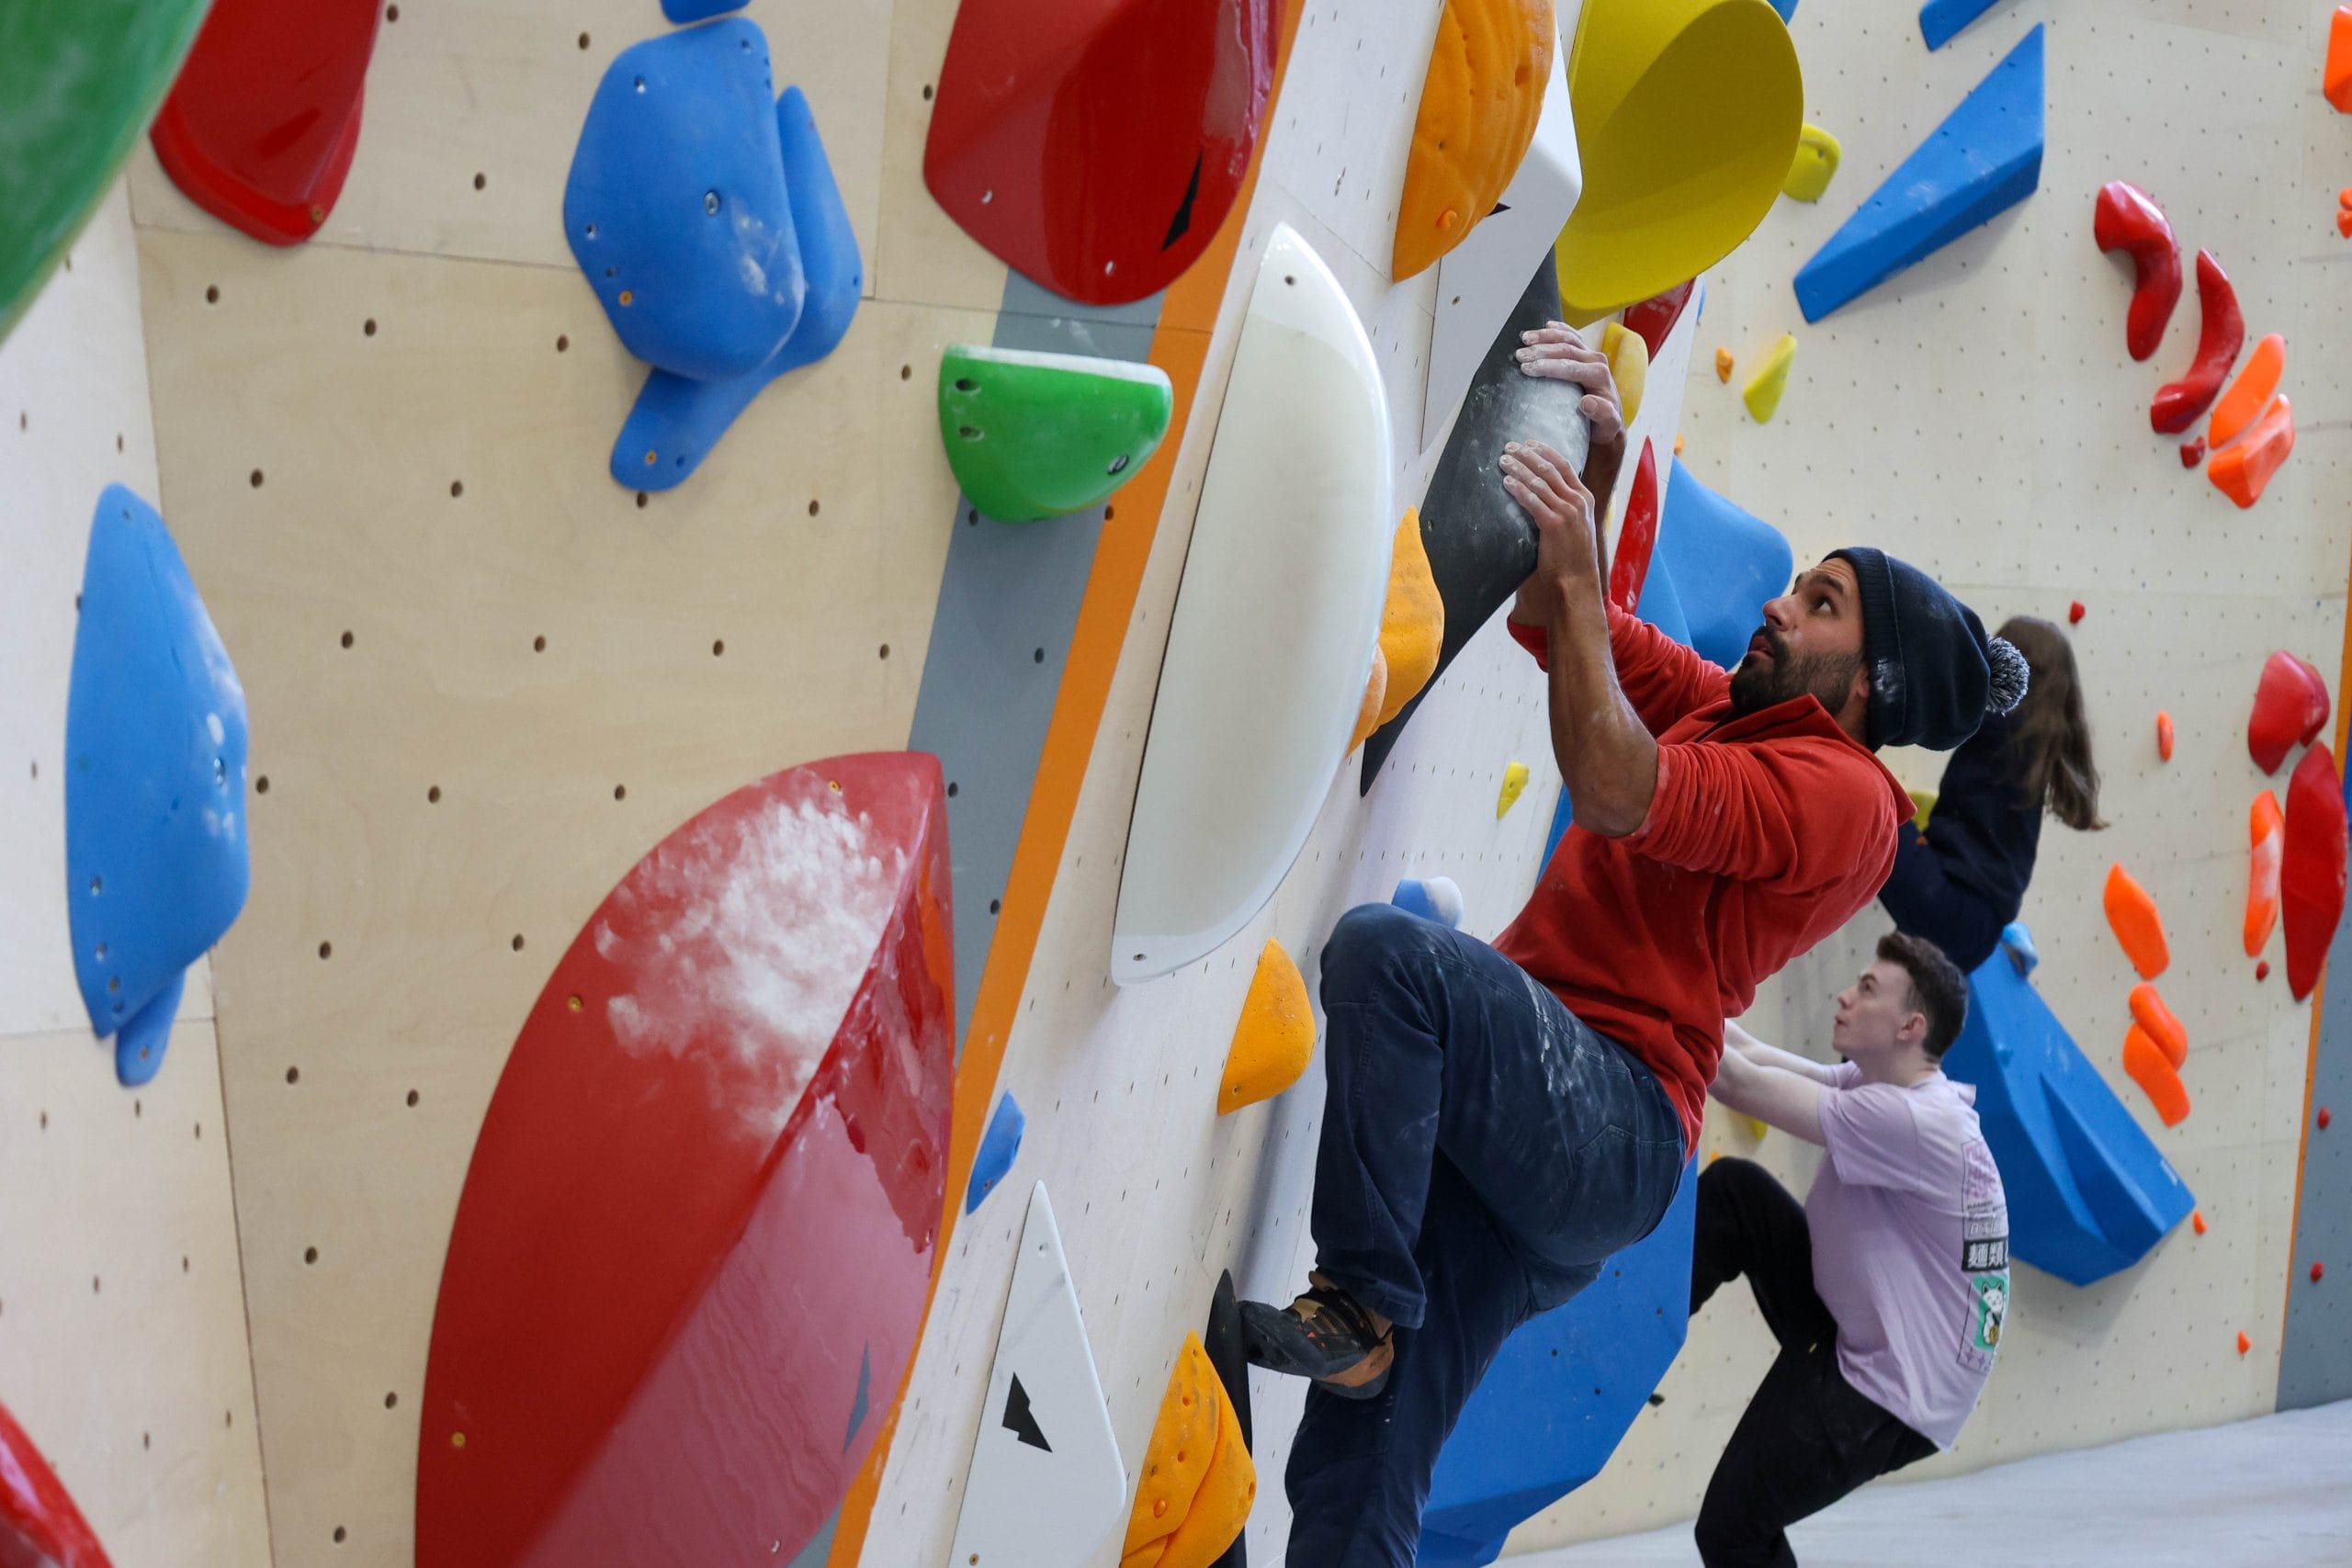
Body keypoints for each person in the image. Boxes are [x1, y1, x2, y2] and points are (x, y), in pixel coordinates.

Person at [1238, 322, 2030, 1565]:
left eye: (1818, 602)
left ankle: (1367, 1300)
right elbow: (1570, 630)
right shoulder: (1734, 704)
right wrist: (1598, 472)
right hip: (1534, 1129)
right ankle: (1372, 1330)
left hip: (1608, 1120)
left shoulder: (1849, 801)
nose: (1779, 601)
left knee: (1390, 959)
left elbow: (1611, 780)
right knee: (1356, 1470)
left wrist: (1584, 550)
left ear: (1868, 684)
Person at [1694, 933, 2010, 1568]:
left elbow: (1740, 1086)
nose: (1844, 994)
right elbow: (1754, 1055)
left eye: (1867, 989)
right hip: (1862, 1328)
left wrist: (1659, 980)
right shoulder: (1886, 1085)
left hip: (1896, 1389)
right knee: (1739, 1193)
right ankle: (1625, 1319)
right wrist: (1691, 993)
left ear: (1909, 1026)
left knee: (1732, 1526)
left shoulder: (1914, 1121)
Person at [1876, 614, 2104, 972]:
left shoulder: (2000, 721)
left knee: (1872, 796)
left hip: (1947, 903)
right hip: (1981, 934)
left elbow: (1934, 696)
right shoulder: (2037, 744)